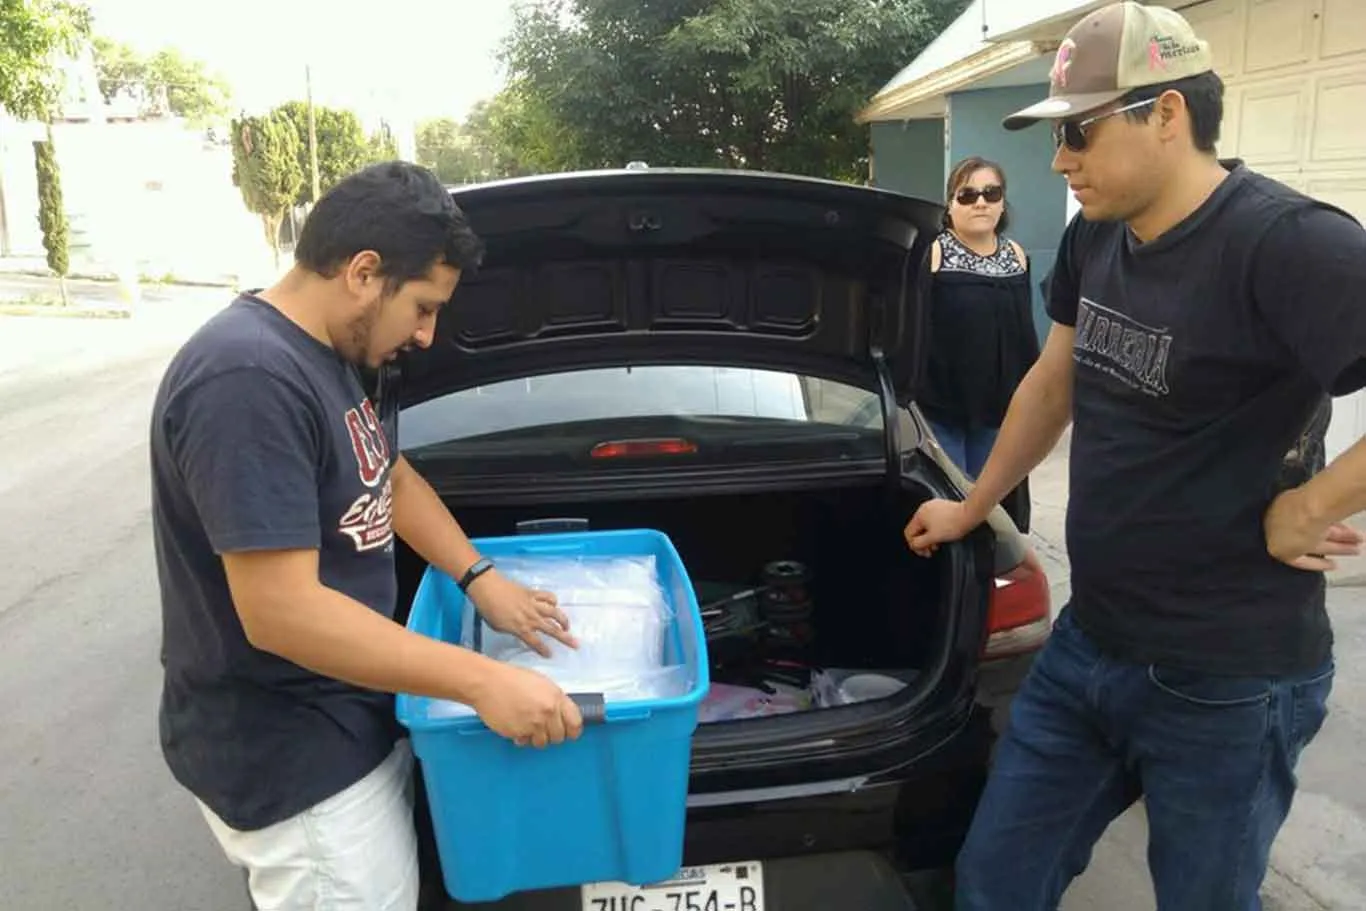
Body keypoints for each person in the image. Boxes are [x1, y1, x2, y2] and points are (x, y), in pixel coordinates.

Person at [902, 3, 1366, 908]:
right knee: (995, 880)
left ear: (1166, 114)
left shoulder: (1288, 242)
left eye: (1078, 131)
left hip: (1227, 678)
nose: (1060, 160)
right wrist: (974, 502)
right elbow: (1050, 384)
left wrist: (1314, 506)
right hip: (1089, 645)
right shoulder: (1097, 233)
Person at [150, 160, 586, 910]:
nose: (427, 334)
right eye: (421, 307)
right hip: (299, 766)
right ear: (362, 272)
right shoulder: (247, 377)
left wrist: (479, 579)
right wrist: (483, 680)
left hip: (347, 724)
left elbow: (388, 473)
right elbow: (282, 610)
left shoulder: (324, 357)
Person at [920, 156, 1040, 479]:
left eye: (991, 193)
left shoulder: (1016, 254)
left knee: (989, 505)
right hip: (944, 407)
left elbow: (1022, 332)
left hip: (1000, 410)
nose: (981, 203)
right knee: (951, 495)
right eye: (968, 195)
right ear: (949, 205)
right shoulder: (933, 254)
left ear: (1003, 204)